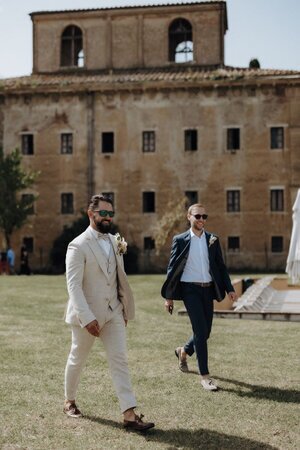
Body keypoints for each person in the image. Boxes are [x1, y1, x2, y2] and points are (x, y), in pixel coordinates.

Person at [64, 193, 154, 431]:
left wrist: (123, 309)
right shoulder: (77, 245)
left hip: (113, 311)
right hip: (87, 316)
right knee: (77, 358)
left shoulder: (115, 241)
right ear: (90, 213)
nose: (107, 217)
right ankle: (69, 401)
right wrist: (87, 317)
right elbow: (73, 286)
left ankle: (129, 415)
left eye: (110, 213)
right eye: (103, 213)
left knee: (120, 360)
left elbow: (118, 278)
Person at [161, 203, 237, 391]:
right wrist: (169, 296)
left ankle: (183, 351)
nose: (201, 219)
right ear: (189, 217)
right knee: (200, 332)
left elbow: (220, 266)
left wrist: (229, 288)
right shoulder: (180, 240)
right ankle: (205, 376)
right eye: (198, 216)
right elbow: (172, 268)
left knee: (205, 332)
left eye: (204, 216)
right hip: (189, 290)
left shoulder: (213, 239)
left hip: (208, 289)